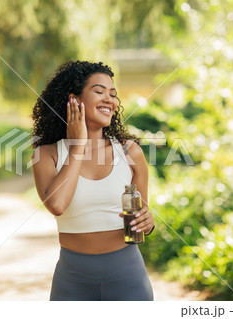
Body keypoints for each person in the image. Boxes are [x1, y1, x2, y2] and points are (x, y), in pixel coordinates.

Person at [31, 60, 155, 301]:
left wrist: (147, 222)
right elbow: (57, 205)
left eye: (113, 94)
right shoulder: (46, 154)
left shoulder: (131, 153)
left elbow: (141, 220)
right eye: (99, 92)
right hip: (72, 280)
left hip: (128, 275)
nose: (109, 99)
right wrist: (77, 146)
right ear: (73, 100)